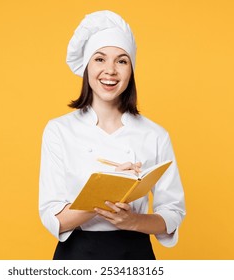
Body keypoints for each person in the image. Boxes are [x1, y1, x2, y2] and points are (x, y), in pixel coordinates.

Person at [39, 10, 186, 260]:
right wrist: (108, 191)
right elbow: (55, 219)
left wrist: (133, 220)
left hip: (135, 255)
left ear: (131, 70)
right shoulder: (59, 131)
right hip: (77, 256)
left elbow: (172, 214)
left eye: (121, 60)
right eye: (99, 59)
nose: (110, 70)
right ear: (87, 66)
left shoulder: (155, 134)